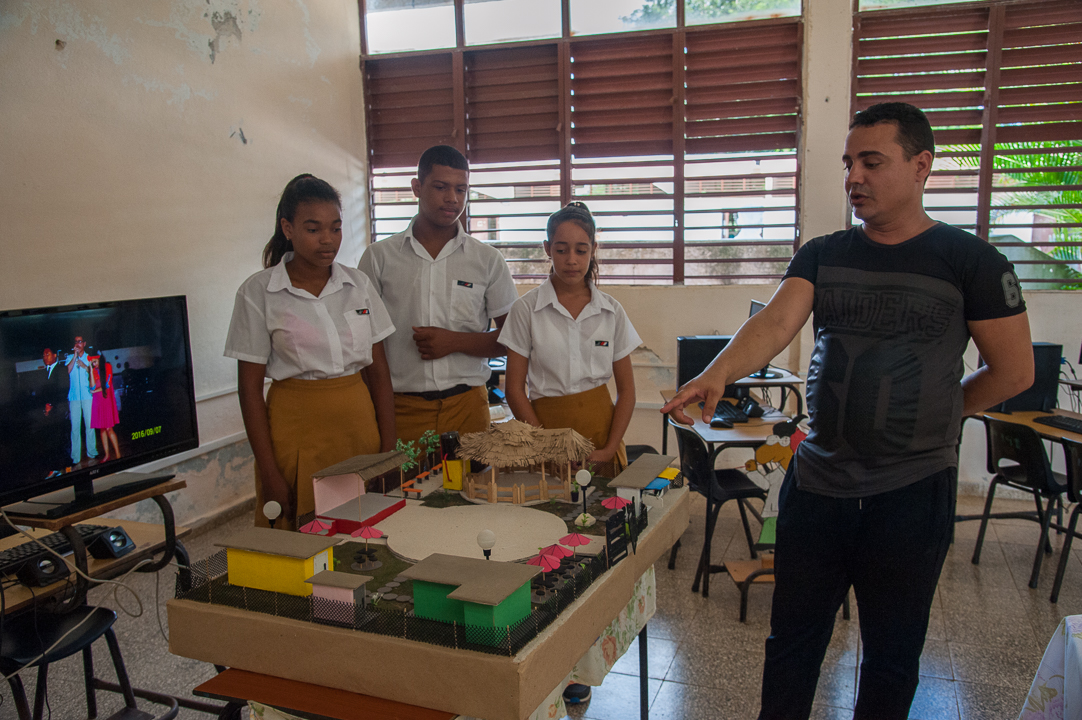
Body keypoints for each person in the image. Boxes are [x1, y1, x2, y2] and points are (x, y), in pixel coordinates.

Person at [661, 102, 1035, 720]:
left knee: (891, 655)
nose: (853, 177)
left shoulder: (972, 262)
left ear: (921, 165)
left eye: (871, 162)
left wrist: (941, 413)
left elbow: (1014, 371)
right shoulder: (823, 253)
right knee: (791, 644)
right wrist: (715, 373)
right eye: (848, 163)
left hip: (912, 491)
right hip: (819, 484)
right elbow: (775, 322)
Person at [226, 174, 397, 530]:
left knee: (366, 531)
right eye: (313, 229)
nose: (327, 239)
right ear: (287, 228)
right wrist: (270, 472)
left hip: (358, 427)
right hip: (296, 430)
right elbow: (249, 390)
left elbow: (379, 373)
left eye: (336, 228)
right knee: (301, 533)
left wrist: (388, 448)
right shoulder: (258, 292)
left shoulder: (358, 285)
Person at [358, 145, 517, 443]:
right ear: (417, 187)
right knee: (401, 476)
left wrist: (454, 342)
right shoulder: (379, 258)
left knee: (473, 477)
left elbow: (514, 339)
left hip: (468, 408)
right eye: (441, 187)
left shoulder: (487, 260)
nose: (452, 198)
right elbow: (363, 346)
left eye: (461, 189)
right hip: (400, 409)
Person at [499, 201, 639, 479]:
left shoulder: (611, 311)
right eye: (561, 250)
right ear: (547, 248)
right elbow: (514, 390)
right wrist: (548, 449)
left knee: (601, 505)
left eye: (581, 250)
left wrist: (609, 449)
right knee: (549, 503)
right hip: (544, 437)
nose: (571, 260)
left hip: (601, 439)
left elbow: (627, 391)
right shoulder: (526, 310)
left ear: (593, 249)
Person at [66, 335, 98, 466]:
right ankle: (75, 457)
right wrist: (74, 356)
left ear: (84, 343)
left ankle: (92, 452)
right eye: (76, 342)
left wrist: (85, 366)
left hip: (87, 396)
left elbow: (95, 374)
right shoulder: (70, 357)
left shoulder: (89, 358)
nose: (77, 344)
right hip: (74, 398)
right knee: (75, 428)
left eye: (80, 342)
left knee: (90, 425)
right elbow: (68, 370)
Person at [89, 352, 121, 462]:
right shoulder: (94, 370)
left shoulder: (107, 366)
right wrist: (90, 369)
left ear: (99, 359)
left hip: (106, 399)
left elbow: (107, 385)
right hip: (97, 401)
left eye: (94, 361)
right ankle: (107, 455)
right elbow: (92, 386)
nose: (93, 364)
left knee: (109, 429)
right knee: (102, 429)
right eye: (92, 362)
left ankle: (118, 454)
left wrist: (95, 391)